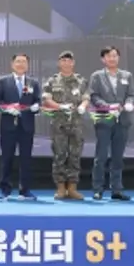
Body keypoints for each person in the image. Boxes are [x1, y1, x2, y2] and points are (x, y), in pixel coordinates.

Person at [88, 45, 134, 201]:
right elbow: (93, 96)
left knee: (118, 157)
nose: (112, 58)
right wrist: (108, 106)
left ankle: (117, 189)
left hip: (122, 120)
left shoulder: (127, 75)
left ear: (118, 58)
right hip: (104, 119)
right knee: (101, 156)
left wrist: (129, 103)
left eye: (115, 55)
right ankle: (98, 189)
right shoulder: (97, 76)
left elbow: (131, 94)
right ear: (103, 59)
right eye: (109, 56)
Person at [41, 50, 90, 200]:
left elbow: (86, 97)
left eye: (69, 60)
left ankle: (72, 188)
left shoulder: (81, 80)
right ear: (59, 63)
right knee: (59, 155)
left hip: (76, 124)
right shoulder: (52, 81)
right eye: (63, 60)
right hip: (59, 124)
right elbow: (46, 99)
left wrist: (83, 106)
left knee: (75, 155)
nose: (66, 63)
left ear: (73, 63)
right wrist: (59, 106)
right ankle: (61, 187)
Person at [0, 53, 42, 200]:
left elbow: (38, 101)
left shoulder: (33, 83)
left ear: (28, 65)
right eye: (18, 61)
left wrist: (36, 107)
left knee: (26, 159)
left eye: (24, 62)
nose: (21, 64)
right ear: (12, 64)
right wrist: (7, 108)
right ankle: (5, 190)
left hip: (26, 126)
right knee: (7, 157)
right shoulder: (3, 82)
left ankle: (25, 190)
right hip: (8, 125)